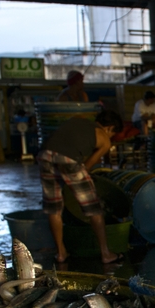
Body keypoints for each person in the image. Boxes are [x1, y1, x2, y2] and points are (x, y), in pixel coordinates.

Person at [38, 109, 125, 265]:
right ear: (110, 128)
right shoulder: (104, 138)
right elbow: (88, 166)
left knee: (54, 208)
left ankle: (60, 253)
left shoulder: (78, 119)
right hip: (69, 160)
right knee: (93, 207)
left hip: (45, 155)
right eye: (112, 133)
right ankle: (106, 254)